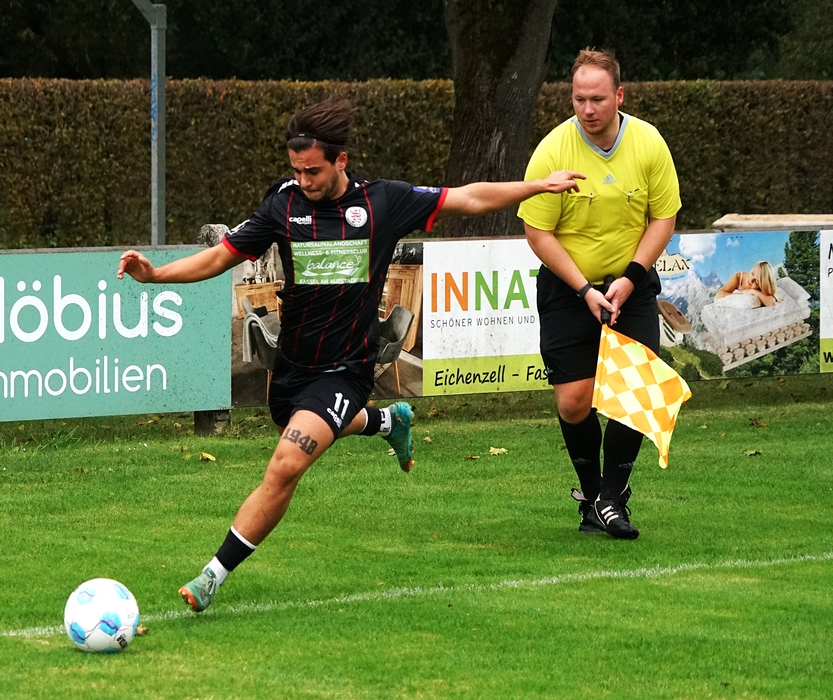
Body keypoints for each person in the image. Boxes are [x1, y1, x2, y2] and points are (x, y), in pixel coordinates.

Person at [118, 100, 584, 611]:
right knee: (299, 426)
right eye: (296, 170)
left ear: (340, 161)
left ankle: (212, 575)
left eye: (312, 171)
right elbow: (221, 256)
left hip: (347, 368)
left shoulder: (383, 202)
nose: (303, 180)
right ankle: (386, 421)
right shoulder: (283, 205)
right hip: (293, 365)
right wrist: (155, 275)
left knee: (286, 464)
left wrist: (536, 186)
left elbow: (468, 197)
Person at [517, 49, 682, 540]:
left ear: (619, 96)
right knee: (574, 402)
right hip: (569, 287)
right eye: (579, 99)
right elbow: (537, 232)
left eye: (598, 99)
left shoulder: (648, 142)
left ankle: (612, 498)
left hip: (631, 284)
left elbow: (664, 217)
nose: (587, 109)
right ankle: (593, 498)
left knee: (634, 394)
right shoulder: (552, 150)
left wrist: (630, 277)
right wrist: (585, 288)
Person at [715, 261, 780, 307]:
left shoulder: (760, 289)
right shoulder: (738, 278)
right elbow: (719, 294)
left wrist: (753, 291)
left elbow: (771, 302)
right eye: (752, 273)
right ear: (752, 268)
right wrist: (742, 294)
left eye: (756, 282)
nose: (751, 280)